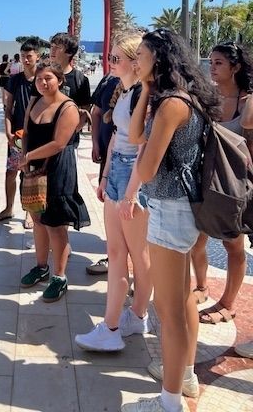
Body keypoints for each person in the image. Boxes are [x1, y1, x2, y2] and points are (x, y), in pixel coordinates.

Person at [122, 28, 220, 412]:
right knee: (181, 303)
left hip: (169, 209)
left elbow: (144, 168)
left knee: (169, 311)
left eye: (142, 56)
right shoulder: (184, 99)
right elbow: (134, 134)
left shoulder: (171, 106)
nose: (136, 62)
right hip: (183, 208)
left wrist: (151, 108)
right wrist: (145, 88)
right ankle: (187, 378)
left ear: (159, 59)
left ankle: (168, 401)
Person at [75, 33, 151, 352]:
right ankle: (119, 322)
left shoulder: (142, 95)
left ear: (136, 62)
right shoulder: (123, 90)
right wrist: (105, 176)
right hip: (119, 170)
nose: (110, 62)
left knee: (137, 254)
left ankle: (128, 319)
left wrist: (131, 190)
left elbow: (144, 148)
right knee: (118, 252)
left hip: (134, 175)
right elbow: (117, 137)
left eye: (116, 58)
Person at [190, 42, 253, 322]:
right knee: (196, 239)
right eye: (211, 62)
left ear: (236, 67)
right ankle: (202, 287)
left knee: (233, 246)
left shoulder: (247, 103)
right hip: (204, 179)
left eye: (218, 63)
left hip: (235, 185)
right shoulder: (209, 99)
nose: (212, 68)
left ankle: (228, 303)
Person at [19, 62, 90, 302]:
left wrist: (29, 156)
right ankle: (41, 266)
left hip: (58, 169)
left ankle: (59, 277)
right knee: (38, 218)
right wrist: (25, 157)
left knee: (56, 224)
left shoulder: (67, 107)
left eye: (48, 78)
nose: (43, 83)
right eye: (39, 79)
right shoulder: (34, 101)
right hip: (34, 167)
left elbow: (59, 143)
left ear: (60, 80)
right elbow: (27, 132)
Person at [0, 39, 40, 224]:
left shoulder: (42, 79)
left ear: (37, 56)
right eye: (23, 56)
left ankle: (29, 212)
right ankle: (8, 209)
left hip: (36, 137)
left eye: (29, 56)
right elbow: (8, 108)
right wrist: (8, 132)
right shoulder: (14, 80)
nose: (26, 60)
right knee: (11, 173)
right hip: (17, 136)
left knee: (30, 174)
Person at [86, 72, 120, 275]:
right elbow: (97, 113)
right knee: (110, 207)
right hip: (108, 159)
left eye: (117, 58)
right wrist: (95, 142)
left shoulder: (143, 87)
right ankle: (113, 257)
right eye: (111, 58)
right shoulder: (108, 81)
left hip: (131, 165)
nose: (113, 62)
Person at [49, 33, 91, 136]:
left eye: (58, 47)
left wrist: (72, 133)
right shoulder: (44, 75)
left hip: (67, 141)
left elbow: (85, 110)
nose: (52, 50)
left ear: (69, 53)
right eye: (51, 46)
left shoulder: (80, 79)